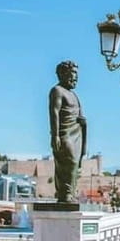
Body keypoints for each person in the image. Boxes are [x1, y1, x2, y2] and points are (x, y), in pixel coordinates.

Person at [49, 60, 86, 203]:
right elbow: (54, 112)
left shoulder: (74, 95)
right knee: (69, 162)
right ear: (63, 74)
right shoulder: (57, 91)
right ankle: (64, 194)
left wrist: (83, 121)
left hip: (77, 133)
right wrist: (55, 135)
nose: (75, 77)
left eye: (77, 74)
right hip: (65, 133)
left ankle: (70, 193)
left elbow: (79, 114)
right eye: (73, 73)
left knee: (76, 163)